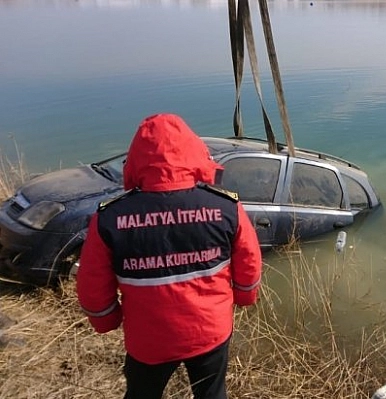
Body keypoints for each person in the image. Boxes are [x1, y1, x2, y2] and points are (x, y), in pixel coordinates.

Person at [76, 113, 262, 399]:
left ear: (136, 159)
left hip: (148, 340)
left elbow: (91, 285)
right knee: (212, 394)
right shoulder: (226, 207)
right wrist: (244, 296)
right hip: (209, 331)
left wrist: (106, 321)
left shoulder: (110, 217)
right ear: (194, 151)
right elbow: (249, 262)